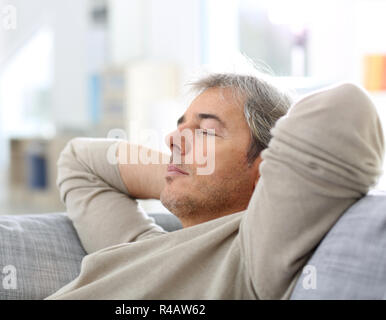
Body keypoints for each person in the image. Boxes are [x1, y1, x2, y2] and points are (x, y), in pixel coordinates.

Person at [45, 74, 384, 299]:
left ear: (266, 170)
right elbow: (79, 161)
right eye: (180, 127)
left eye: (205, 131)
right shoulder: (141, 245)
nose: (172, 138)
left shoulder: (253, 253)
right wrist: (178, 170)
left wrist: (190, 170)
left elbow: (346, 108)